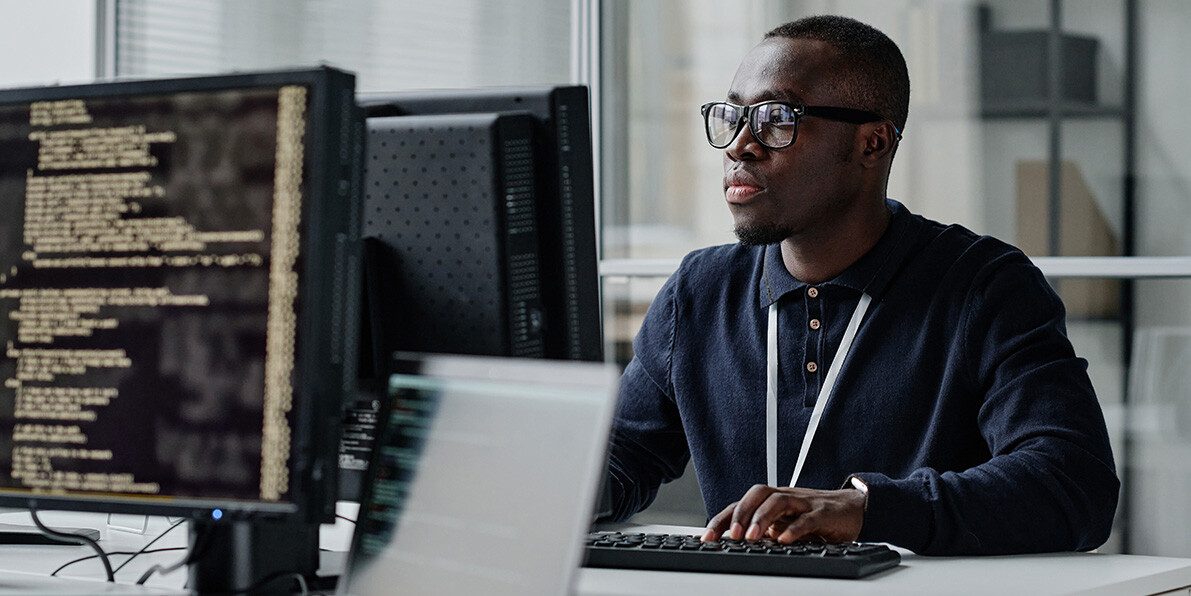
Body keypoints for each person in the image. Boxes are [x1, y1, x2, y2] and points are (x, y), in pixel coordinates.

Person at [601, 15, 1119, 556]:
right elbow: (619, 461)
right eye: (733, 115)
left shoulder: (984, 287)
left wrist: (869, 510)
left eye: (778, 119)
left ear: (873, 144)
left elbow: (1073, 483)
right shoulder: (700, 292)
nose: (740, 145)